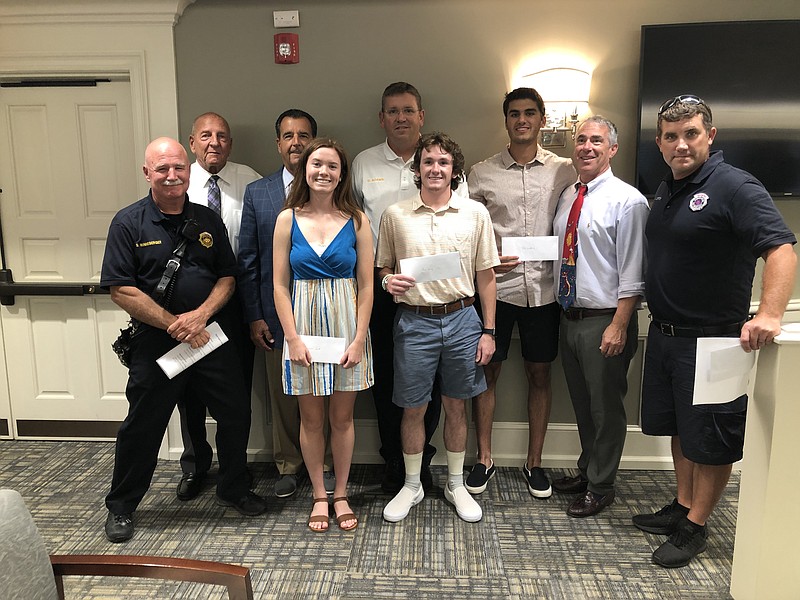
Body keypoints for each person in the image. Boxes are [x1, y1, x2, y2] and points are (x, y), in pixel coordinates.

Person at [634, 95, 796, 567]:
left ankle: (697, 525)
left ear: (710, 135)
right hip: (666, 335)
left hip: (715, 340)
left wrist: (769, 314)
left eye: (690, 134)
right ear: (660, 143)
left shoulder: (734, 186)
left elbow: (781, 249)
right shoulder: (667, 187)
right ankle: (683, 505)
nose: (680, 144)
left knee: (711, 439)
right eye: (670, 136)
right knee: (682, 430)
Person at [101, 137, 267, 543]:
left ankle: (233, 487)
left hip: (210, 337)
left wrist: (201, 316)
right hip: (159, 344)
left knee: (234, 415)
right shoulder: (128, 223)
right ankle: (122, 505)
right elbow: (121, 289)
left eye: (178, 167)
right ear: (147, 174)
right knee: (144, 424)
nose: (172, 175)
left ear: (188, 170)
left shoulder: (207, 220)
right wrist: (174, 322)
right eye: (162, 169)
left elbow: (228, 275)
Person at [378, 132, 499, 523]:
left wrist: (489, 331)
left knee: (456, 406)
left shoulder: (475, 214)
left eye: (443, 162)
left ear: (454, 170)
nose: (435, 168)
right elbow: (382, 267)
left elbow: (487, 277)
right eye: (428, 161)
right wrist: (385, 282)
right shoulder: (395, 215)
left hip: (464, 318)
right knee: (413, 408)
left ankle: (456, 483)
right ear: (417, 169)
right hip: (414, 321)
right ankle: (412, 484)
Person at [466, 87, 575, 497]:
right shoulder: (481, 173)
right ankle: (485, 459)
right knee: (487, 373)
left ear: (543, 119)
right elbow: (469, 232)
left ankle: (535, 463)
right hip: (498, 290)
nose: (522, 120)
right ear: (506, 120)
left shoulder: (565, 170)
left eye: (530, 113)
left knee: (540, 373)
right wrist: (489, 255)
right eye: (515, 113)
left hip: (545, 293)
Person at [352, 82, 453, 493]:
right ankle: (393, 459)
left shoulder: (438, 160)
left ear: (421, 116)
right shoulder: (362, 163)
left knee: (429, 379)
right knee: (388, 379)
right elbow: (352, 224)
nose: (401, 117)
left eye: (408, 110)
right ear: (382, 118)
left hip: (429, 290)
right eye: (392, 111)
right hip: (379, 288)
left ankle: (421, 457)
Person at [272, 138, 374, 532]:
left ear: (341, 174)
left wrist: (360, 337)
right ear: (305, 169)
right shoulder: (287, 220)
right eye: (317, 164)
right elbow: (280, 285)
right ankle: (318, 495)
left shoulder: (357, 220)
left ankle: (342, 492)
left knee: (343, 418)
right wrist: (292, 338)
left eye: (332, 166)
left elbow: (366, 286)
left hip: (348, 327)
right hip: (304, 330)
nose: (323, 172)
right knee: (311, 419)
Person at [551, 116, 648, 517]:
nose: (586, 147)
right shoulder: (568, 196)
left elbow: (634, 271)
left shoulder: (629, 201)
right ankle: (588, 470)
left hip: (606, 320)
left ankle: (603, 485)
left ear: (613, 149)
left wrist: (619, 324)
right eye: (581, 140)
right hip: (569, 316)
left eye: (597, 141)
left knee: (606, 409)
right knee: (583, 403)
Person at [239, 109, 335, 499]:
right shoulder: (258, 193)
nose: (296, 142)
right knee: (283, 396)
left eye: (304, 135)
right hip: (275, 316)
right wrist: (254, 315)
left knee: (326, 389)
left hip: (326, 313)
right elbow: (249, 260)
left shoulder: (333, 190)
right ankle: (290, 464)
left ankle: (326, 463)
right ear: (277, 142)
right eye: (288, 136)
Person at [175, 112, 261, 502]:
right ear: (192, 142)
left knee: (235, 395)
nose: (215, 142)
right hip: (185, 309)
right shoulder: (177, 182)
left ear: (231, 143)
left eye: (222, 136)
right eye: (206, 136)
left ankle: (234, 472)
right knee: (187, 392)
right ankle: (195, 464)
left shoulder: (251, 182)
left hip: (235, 303)